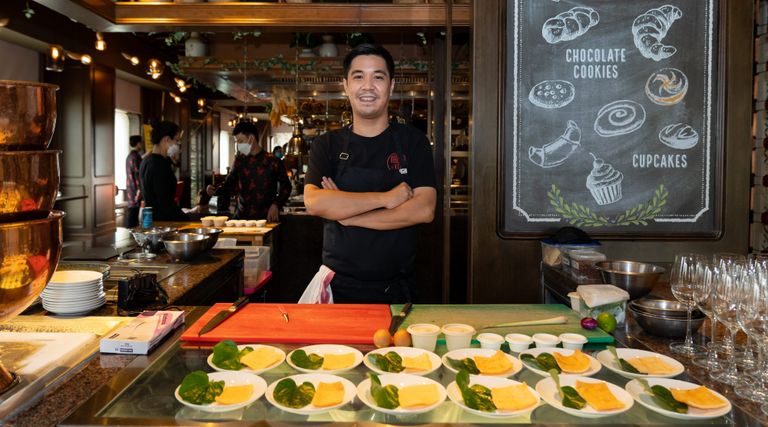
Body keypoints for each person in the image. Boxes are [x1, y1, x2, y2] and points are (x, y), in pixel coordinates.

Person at [304, 44, 437, 304]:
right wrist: (386, 199)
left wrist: (348, 216)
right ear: (346, 85)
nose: (368, 86)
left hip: (398, 289)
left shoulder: (413, 142)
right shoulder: (327, 145)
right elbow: (315, 202)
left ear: (391, 85)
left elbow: (423, 210)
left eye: (378, 77)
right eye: (358, 76)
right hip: (337, 290)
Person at [206, 121, 291, 222]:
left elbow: (286, 187)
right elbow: (229, 184)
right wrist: (214, 190)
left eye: (240, 141)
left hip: (266, 218)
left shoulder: (273, 161)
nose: (238, 145)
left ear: (251, 138)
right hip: (241, 218)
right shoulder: (239, 160)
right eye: (237, 142)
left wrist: (276, 204)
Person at [139, 120, 188, 221]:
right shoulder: (159, 165)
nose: (178, 145)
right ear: (167, 139)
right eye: (177, 141)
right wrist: (186, 220)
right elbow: (165, 203)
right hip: (164, 221)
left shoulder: (146, 161)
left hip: (152, 219)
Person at [125, 134, 143, 228]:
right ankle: (131, 235)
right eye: (141, 143)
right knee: (134, 216)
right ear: (138, 143)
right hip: (136, 190)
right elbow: (138, 174)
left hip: (130, 189)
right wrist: (139, 190)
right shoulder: (136, 157)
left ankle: (129, 234)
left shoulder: (129, 156)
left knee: (132, 213)